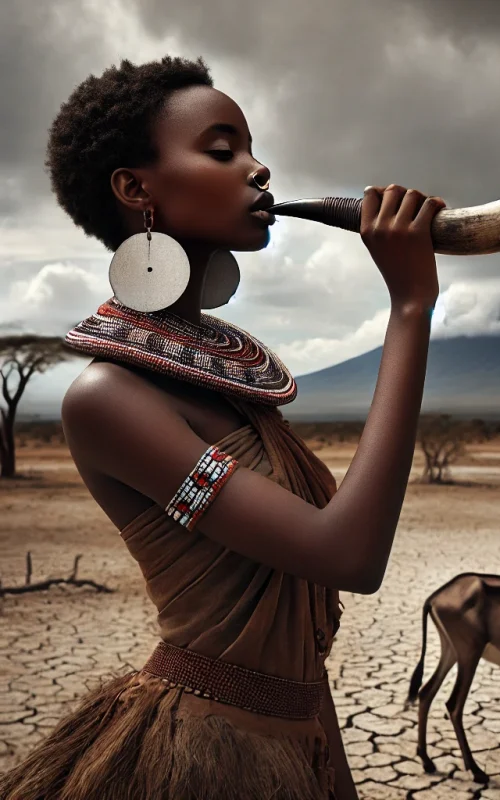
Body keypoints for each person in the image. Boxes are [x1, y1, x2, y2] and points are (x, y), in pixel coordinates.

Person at [0, 55, 445, 800]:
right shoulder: (108, 400)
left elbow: (297, 648)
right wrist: (410, 310)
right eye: (221, 149)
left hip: (300, 741)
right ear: (135, 188)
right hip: (203, 756)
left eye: (251, 146)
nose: (258, 168)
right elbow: (347, 555)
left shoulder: (227, 386)